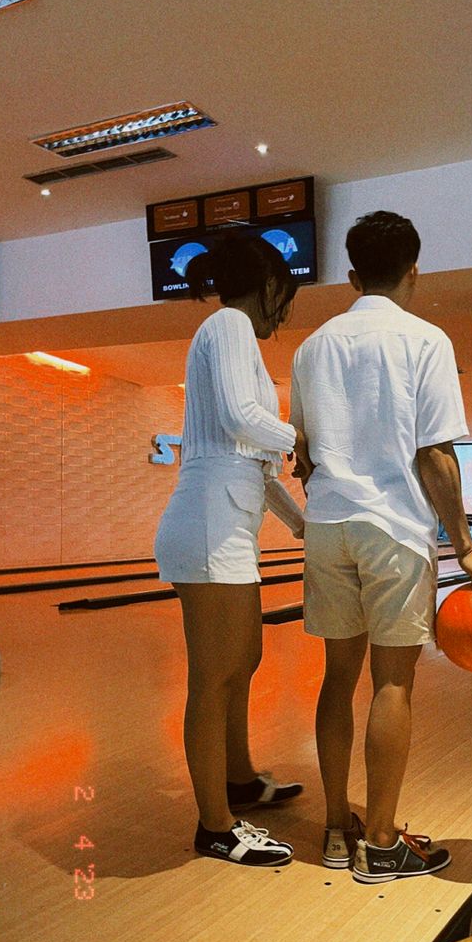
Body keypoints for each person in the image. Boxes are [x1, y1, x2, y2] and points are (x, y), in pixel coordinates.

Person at [290, 211, 472, 884]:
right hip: (393, 528)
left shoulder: (312, 349)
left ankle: (337, 829)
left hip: (329, 526)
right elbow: (436, 456)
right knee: (392, 682)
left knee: (337, 677)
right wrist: (466, 546)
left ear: (352, 275)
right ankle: (381, 843)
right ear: (414, 272)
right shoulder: (425, 341)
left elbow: (302, 455)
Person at [155, 234, 310, 868]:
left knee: (242, 660)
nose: (282, 315)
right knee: (213, 678)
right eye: (285, 299)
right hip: (208, 527)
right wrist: (309, 436)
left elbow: (258, 462)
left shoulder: (233, 337)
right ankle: (215, 825)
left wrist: (302, 526)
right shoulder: (226, 323)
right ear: (270, 285)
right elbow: (246, 419)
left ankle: (239, 779)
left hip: (228, 525)